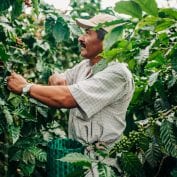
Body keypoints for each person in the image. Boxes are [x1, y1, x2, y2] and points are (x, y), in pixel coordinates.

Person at [7, 13, 134, 176]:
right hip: (77, 158)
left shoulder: (117, 74)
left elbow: (66, 98)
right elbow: (58, 82)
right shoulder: (85, 66)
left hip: (100, 165)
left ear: (107, 40)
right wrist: (59, 82)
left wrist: (25, 87)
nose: (80, 38)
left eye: (88, 33)